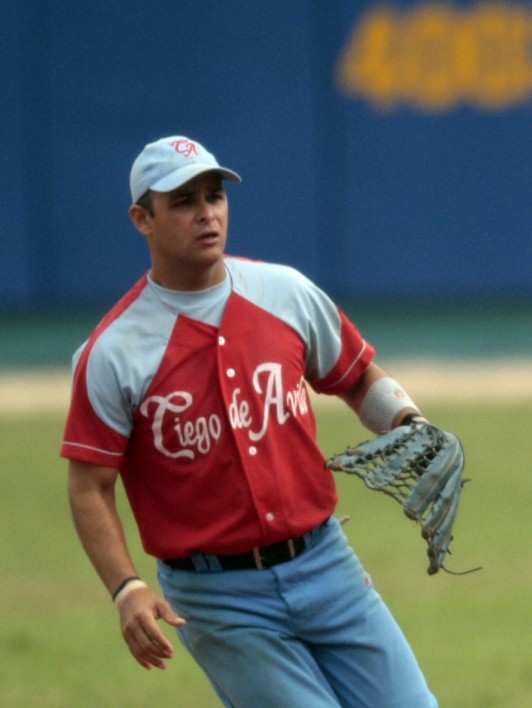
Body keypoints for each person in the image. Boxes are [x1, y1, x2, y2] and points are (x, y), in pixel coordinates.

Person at [63, 135, 444, 706]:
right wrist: (126, 587)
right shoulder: (114, 351)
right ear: (142, 219)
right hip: (218, 597)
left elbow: (357, 376)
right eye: (184, 201)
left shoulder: (284, 293)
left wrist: (408, 421)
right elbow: (89, 484)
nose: (206, 213)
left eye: (214, 196)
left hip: (328, 565)